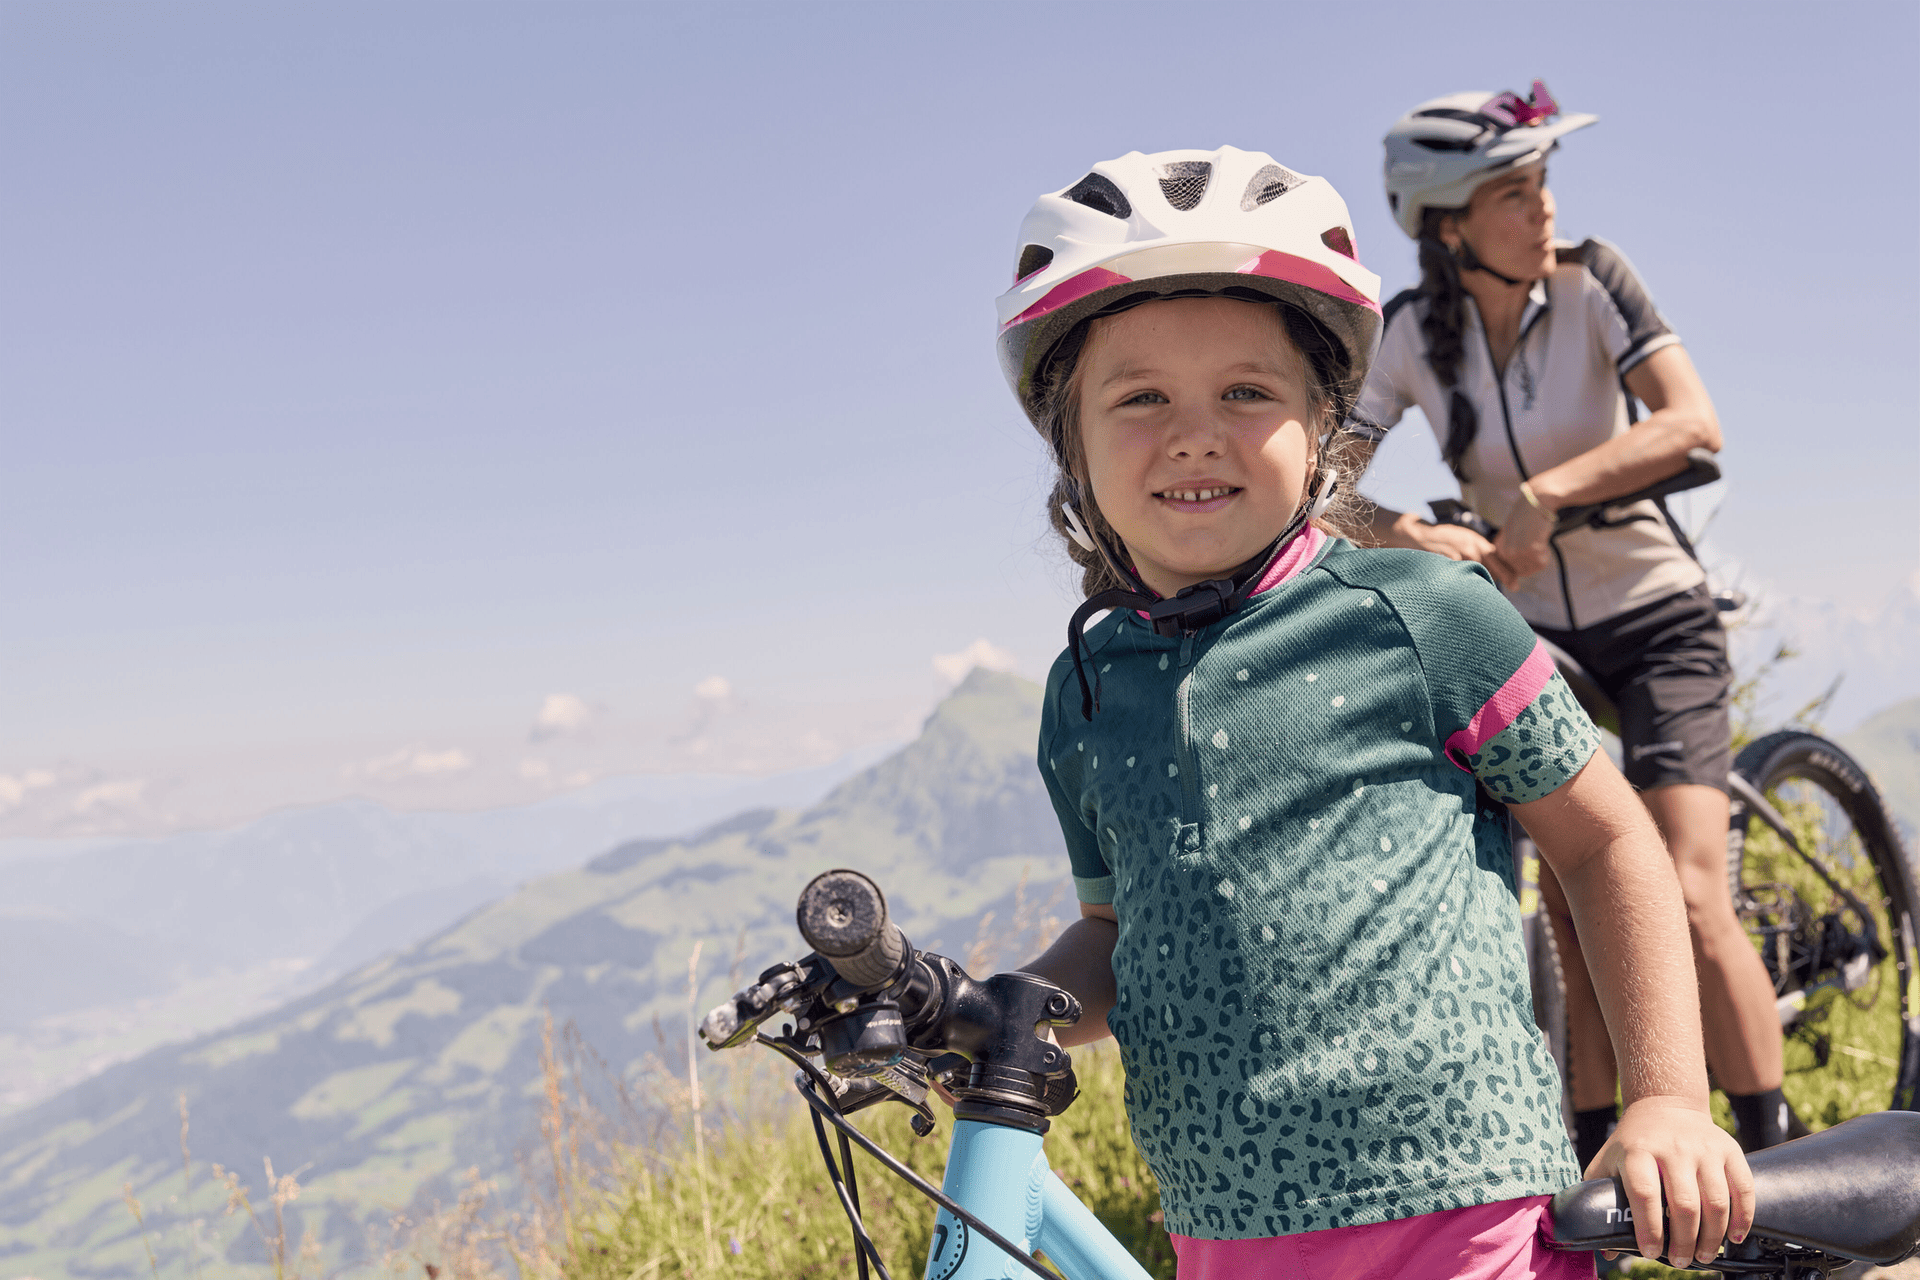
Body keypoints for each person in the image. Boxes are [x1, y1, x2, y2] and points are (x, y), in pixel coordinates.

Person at [995, 145, 1751, 1278]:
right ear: (1072, 441)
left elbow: (1604, 840)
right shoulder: (1087, 690)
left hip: (1467, 1215)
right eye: (1140, 397)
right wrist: (1019, 1008)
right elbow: (1116, 935)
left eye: (1247, 392)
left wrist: (1669, 1100)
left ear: (1322, 426)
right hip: (1220, 1231)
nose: (1194, 432)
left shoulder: (1422, 612)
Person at [1347, 81, 1794, 1166]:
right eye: (1514, 190)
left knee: (1688, 892)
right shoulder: (1410, 335)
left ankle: (1777, 1158)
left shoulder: (1595, 280)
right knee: (1571, 889)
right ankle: (1595, 1164)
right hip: (1533, 629)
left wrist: (1547, 494)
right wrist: (1406, 530)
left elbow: (1695, 422)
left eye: (1544, 182)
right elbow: (1319, 485)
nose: (1543, 206)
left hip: (1654, 611)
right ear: (1448, 226)